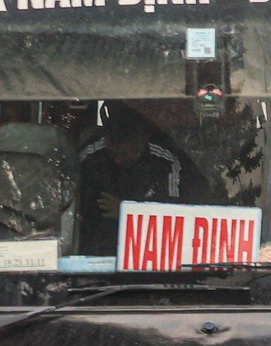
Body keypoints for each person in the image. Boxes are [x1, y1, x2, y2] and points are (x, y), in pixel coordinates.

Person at [78, 108, 199, 254]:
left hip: (146, 252)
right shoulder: (89, 157)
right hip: (94, 252)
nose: (117, 160)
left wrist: (127, 213)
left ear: (141, 142)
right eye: (112, 153)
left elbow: (172, 217)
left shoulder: (164, 163)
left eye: (123, 154)